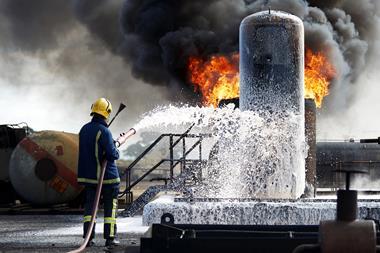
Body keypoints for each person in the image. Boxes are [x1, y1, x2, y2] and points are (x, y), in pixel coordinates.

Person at [77, 98, 121, 248]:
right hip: (108, 178)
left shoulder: (84, 129)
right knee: (110, 209)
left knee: (90, 208)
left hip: (89, 179)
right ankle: (110, 238)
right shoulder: (104, 131)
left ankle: (88, 238)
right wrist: (116, 148)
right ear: (106, 113)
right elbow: (112, 154)